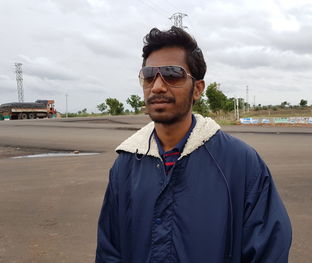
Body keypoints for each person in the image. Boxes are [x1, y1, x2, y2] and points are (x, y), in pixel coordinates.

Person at [96, 26, 292, 263]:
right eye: (149, 76)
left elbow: (269, 251)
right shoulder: (125, 165)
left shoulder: (242, 164)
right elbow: (110, 250)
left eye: (172, 74)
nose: (157, 86)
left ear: (197, 89)